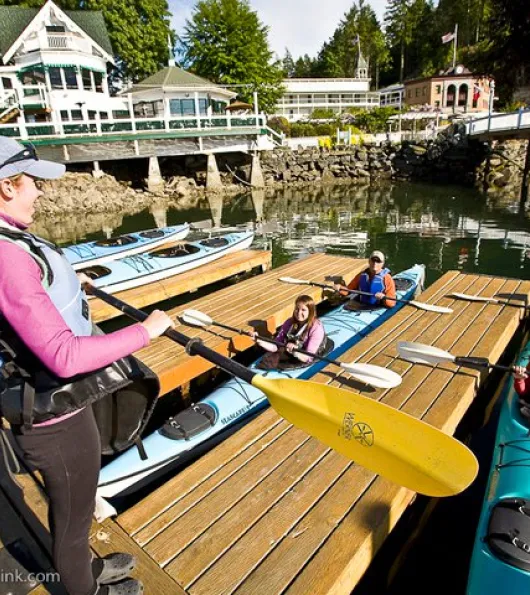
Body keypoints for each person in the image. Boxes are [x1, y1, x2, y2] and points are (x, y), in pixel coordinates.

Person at [0, 137, 174, 595]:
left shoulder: (9, 239)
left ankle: (86, 573)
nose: (40, 191)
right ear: (5, 187)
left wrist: (68, 284)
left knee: (75, 512)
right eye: (31, 183)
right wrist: (146, 331)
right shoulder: (5, 257)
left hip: (63, 411)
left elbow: (27, 298)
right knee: (73, 526)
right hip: (52, 421)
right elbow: (64, 355)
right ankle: (85, 590)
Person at [254, 295, 329, 370]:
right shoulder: (289, 323)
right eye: (297, 309)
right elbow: (275, 346)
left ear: (310, 312)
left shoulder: (316, 328)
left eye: (303, 310)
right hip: (293, 348)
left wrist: (295, 352)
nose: (299, 313)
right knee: (276, 354)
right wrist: (259, 340)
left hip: (307, 353)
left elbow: (308, 358)